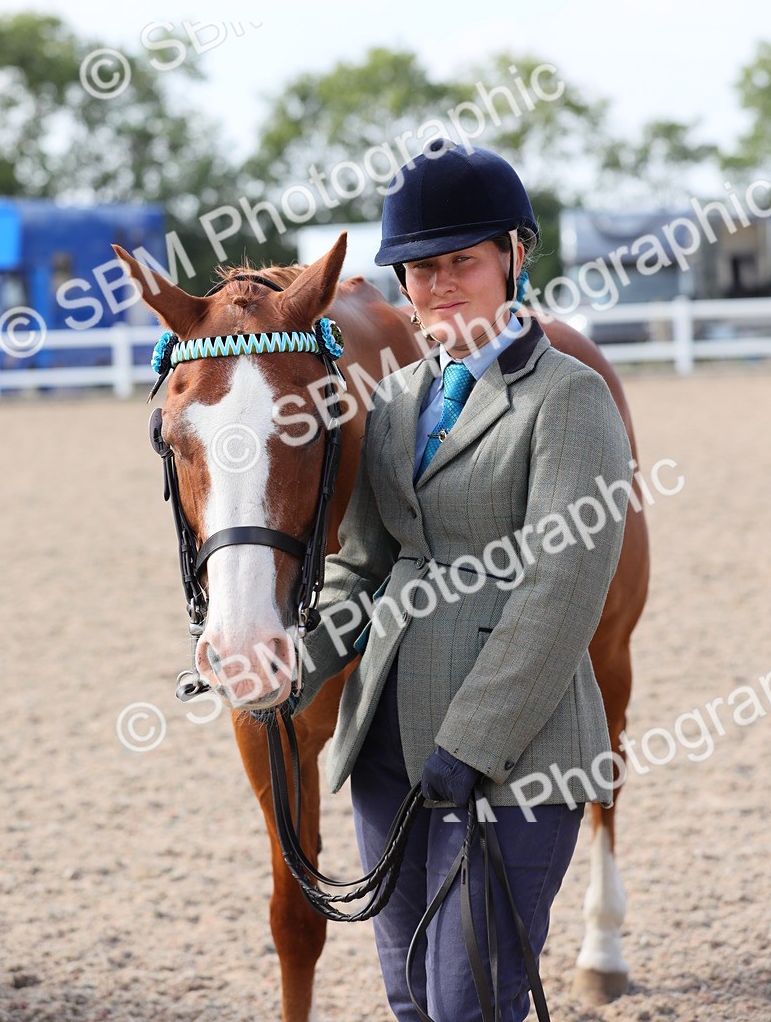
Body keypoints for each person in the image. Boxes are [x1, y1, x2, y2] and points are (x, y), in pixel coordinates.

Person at [295, 140, 632, 1022]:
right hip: (385, 750)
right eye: (420, 269)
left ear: (513, 258)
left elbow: (560, 592)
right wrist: (291, 667)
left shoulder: (571, 398)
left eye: (462, 262)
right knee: (411, 998)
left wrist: (472, 743)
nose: (439, 284)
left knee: (469, 1004)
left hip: (509, 758)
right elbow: (359, 568)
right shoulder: (396, 399)